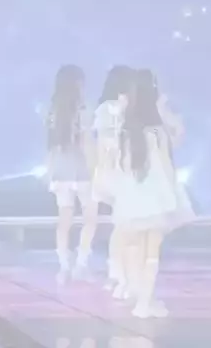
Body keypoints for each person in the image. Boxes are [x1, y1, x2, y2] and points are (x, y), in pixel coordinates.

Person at [112, 69, 194, 318]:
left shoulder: (126, 130)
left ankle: (142, 298)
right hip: (157, 196)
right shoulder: (157, 131)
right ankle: (145, 303)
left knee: (137, 248)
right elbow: (168, 165)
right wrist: (173, 195)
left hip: (133, 196)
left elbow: (122, 165)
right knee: (151, 252)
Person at [46, 65, 98, 284]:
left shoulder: (52, 111)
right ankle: (81, 265)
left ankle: (63, 267)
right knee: (90, 218)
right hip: (82, 170)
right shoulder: (83, 110)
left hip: (60, 171)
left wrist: (50, 172)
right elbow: (87, 143)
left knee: (64, 219)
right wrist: (96, 169)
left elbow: (50, 146)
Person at [92, 65, 135, 293]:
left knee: (124, 225)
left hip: (122, 171)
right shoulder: (108, 109)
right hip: (116, 172)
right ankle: (118, 274)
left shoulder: (124, 107)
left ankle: (119, 274)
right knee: (123, 225)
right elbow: (104, 144)